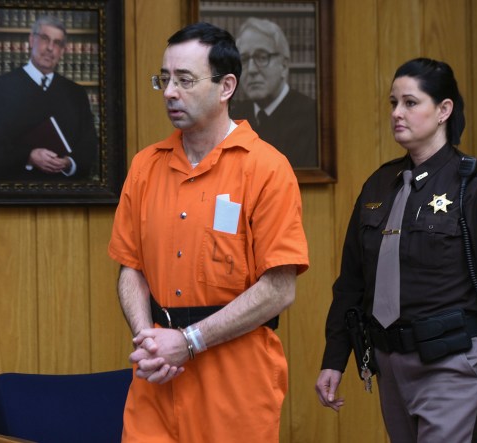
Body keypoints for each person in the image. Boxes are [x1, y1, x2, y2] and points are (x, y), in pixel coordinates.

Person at [107, 22, 309, 443]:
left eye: (184, 80)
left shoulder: (266, 168)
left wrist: (190, 341)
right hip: (156, 376)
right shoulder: (146, 167)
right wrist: (148, 340)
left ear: (226, 86)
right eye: (164, 79)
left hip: (235, 381)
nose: (169, 92)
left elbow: (279, 289)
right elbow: (131, 268)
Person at [315, 58, 477, 442]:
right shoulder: (380, 185)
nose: (397, 113)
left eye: (411, 103)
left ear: (444, 110)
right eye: (393, 103)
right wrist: (335, 357)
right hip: (391, 362)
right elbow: (351, 282)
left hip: (453, 363)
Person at [0, 15, 97, 181]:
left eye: (57, 43)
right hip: (14, 193)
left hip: (65, 193)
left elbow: (89, 145)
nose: (50, 48)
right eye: (45, 39)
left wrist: (70, 162)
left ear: (62, 51)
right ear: (32, 40)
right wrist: (29, 156)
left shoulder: (76, 93)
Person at [230, 17, 318, 168]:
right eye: (244, 59)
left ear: (284, 66)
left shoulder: (312, 116)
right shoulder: (233, 118)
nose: (251, 70)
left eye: (262, 57)